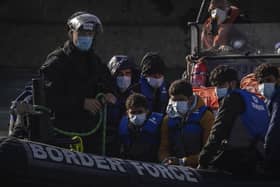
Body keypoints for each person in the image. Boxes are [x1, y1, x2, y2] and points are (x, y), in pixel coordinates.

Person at [39, 11, 117, 154]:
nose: (86, 37)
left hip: (90, 132)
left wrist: (108, 94)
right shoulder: (57, 62)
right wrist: (82, 102)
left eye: (90, 34)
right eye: (82, 34)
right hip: (62, 134)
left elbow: (108, 82)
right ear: (71, 33)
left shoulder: (94, 61)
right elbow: (47, 98)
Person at [198, 65, 269, 175]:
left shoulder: (232, 98)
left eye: (221, 85)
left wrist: (203, 160)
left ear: (232, 83)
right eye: (215, 86)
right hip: (258, 156)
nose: (217, 90)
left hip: (237, 158)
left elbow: (218, 130)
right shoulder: (256, 99)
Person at [158, 79, 214, 168]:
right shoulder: (168, 119)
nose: (177, 104)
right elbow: (163, 147)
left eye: (181, 100)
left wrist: (184, 161)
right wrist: (165, 159)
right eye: (174, 100)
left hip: (199, 167)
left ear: (191, 98)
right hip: (172, 167)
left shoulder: (206, 116)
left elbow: (209, 150)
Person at [106, 55, 139, 156]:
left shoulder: (136, 96)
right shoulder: (103, 94)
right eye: (120, 74)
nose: (124, 77)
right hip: (106, 144)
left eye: (127, 74)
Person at [118, 93, 163, 162]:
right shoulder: (123, 127)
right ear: (127, 113)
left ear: (147, 111)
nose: (136, 115)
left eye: (140, 112)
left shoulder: (159, 123)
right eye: (133, 112)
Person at [254, 63, 280, 176]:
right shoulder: (268, 100)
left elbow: (274, 128)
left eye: (269, 80)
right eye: (261, 82)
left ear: (277, 80)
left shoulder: (277, 100)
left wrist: (267, 156)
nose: (264, 85)